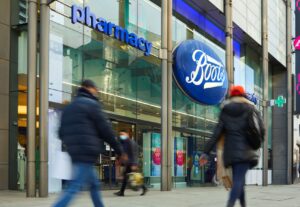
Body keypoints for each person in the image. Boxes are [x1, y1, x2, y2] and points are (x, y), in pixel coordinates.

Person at [53, 80, 125, 207]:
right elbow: (106, 131)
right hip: (86, 151)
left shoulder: (69, 107)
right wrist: (119, 150)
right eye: (95, 89)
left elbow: (60, 132)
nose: (97, 92)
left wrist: (71, 142)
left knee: (94, 184)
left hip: (75, 151)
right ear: (88, 88)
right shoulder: (92, 105)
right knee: (74, 186)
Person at [200, 85, 265, 207]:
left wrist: (205, 152)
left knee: (239, 180)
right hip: (247, 152)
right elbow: (261, 128)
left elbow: (216, 133)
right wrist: (258, 141)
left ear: (232, 95)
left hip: (230, 153)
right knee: (239, 181)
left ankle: (243, 204)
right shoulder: (250, 108)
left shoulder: (226, 109)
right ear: (243, 95)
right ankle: (230, 204)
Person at [114, 130, 148, 196]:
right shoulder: (125, 143)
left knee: (134, 177)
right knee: (128, 176)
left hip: (132, 163)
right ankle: (122, 192)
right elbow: (124, 153)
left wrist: (134, 164)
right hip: (129, 163)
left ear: (127, 134)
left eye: (123, 134)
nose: (121, 136)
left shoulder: (131, 142)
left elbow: (134, 154)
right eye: (120, 135)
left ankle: (144, 188)